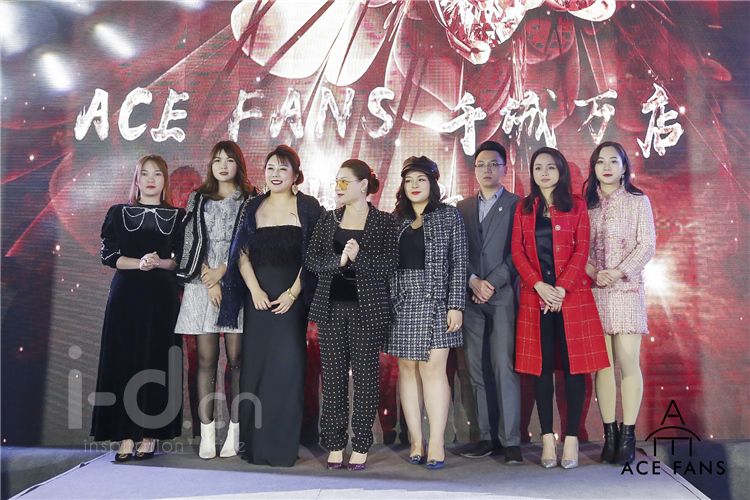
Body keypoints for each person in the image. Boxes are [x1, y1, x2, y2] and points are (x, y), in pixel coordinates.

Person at [217, 145, 322, 467]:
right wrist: (254, 289)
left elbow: (314, 255)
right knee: (256, 369)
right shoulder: (253, 206)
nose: (275, 175)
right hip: (257, 301)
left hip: (291, 301)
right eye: (270, 168)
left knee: (288, 369)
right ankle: (255, 446)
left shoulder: (308, 206)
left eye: (283, 169)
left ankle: (282, 448)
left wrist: (292, 294)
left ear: (296, 175)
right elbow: (241, 252)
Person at [511, 147, 609, 469]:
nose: (544, 173)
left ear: (561, 171)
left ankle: (571, 439)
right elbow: (517, 252)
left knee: (573, 370)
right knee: (540, 371)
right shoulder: (524, 207)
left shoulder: (576, 206)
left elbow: (582, 250)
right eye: (538, 167)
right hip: (535, 299)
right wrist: (539, 286)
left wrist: (561, 288)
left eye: (550, 167)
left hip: (572, 298)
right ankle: (546, 440)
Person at [306, 159, 399, 471]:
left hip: (367, 311)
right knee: (332, 380)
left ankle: (360, 444)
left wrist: (360, 258)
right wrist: (340, 262)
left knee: (365, 379)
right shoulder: (328, 218)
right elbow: (312, 260)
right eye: (336, 181)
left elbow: (389, 265)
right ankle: (334, 443)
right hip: (331, 309)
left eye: (345, 181)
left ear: (363, 185)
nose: (339, 187)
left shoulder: (384, 221)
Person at [91, 154, 185, 462]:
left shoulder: (179, 216)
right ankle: (125, 436)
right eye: (145, 173)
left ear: (165, 180)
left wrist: (160, 262)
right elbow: (108, 255)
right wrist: (139, 263)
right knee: (123, 360)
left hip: (162, 299)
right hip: (126, 296)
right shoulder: (118, 213)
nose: (150, 179)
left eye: (157, 174)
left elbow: (181, 260)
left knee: (157, 360)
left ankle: (149, 435)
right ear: (136, 178)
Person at [384, 156, 468, 470]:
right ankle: (416, 441)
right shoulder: (395, 220)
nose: (414, 186)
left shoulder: (449, 216)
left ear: (432, 183)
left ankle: (436, 442)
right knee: (407, 369)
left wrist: (456, 304)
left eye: (421, 180)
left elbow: (459, 262)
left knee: (433, 369)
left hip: (437, 301)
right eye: (409, 181)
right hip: (401, 301)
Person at [175, 140, 257, 459]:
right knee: (206, 360)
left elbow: (252, 240)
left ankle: (234, 433)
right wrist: (208, 276)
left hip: (236, 282)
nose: (223, 165)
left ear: (239, 164)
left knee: (237, 360)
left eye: (229, 160)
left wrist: (223, 271)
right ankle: (207, 433)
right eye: (217, 160)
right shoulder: (198, 198)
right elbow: (189, 240)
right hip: (201, 284)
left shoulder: (250, 199)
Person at [583, 141, 656, 465]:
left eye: (614, 161)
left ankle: (628, 434)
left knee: (628, 362)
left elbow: (647, 245)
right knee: (602, 367)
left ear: (625, 166)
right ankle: (609, 434)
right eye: (601, 162)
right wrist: (592, 271)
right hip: (595, 291)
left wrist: (619, 271)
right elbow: (577, 246)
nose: (607, 167)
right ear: (594, 168)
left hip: (626, 290)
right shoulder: (586, 206)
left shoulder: (638, 201)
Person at [456, 141, 522, 463]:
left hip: (503, 296)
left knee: (503, 365)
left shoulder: (517, 205)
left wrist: (492, 282)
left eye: (494, 164)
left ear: (505, 168)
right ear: (474, 170)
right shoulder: (463, 208)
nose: (487, 170)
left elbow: (518, 253)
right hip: (471, 297)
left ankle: (511, 441)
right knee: (476, 367)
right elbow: (457, 250)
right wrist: (472, 280)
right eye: (481, 164)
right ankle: (485, 437)